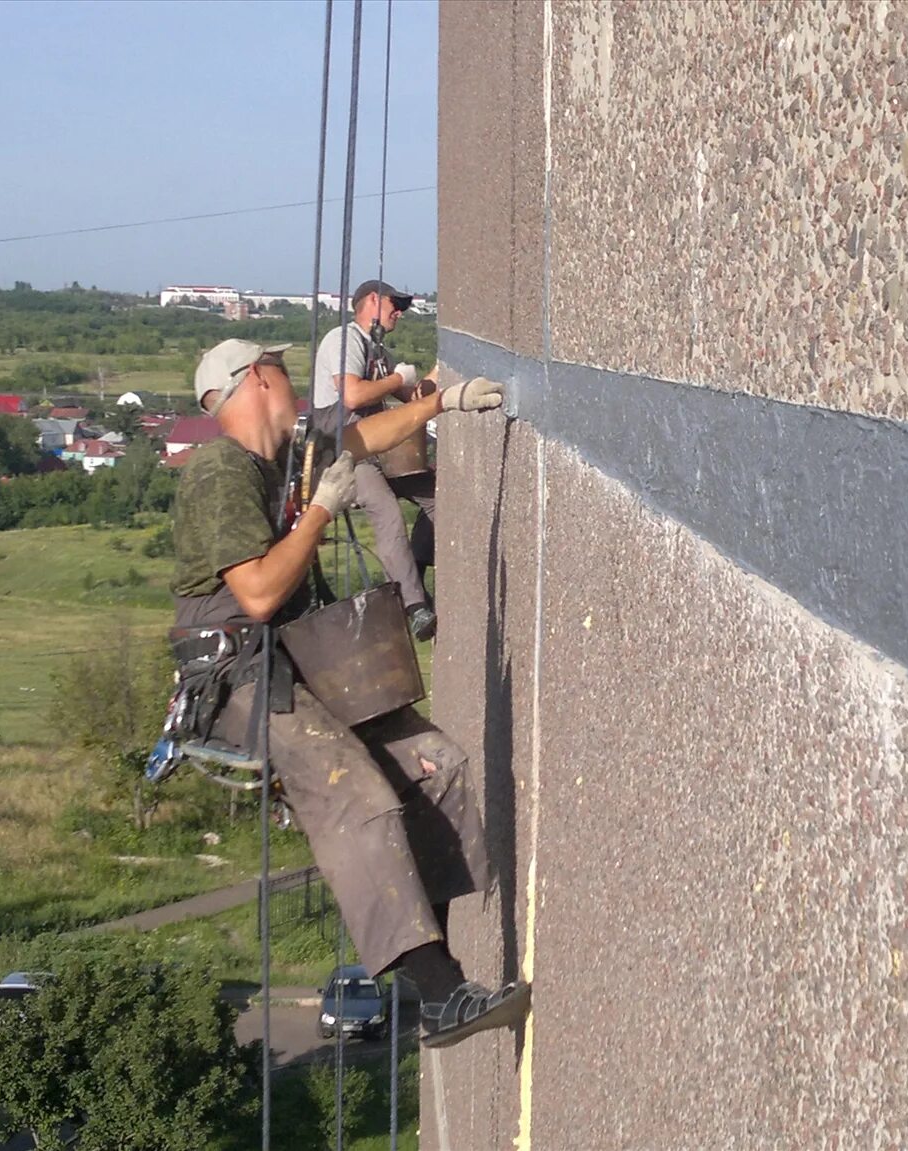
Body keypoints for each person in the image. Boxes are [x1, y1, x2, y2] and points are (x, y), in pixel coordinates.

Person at [167, 337, 527, 1049]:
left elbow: (360, 435)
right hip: (244, 678)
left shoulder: (287, 453)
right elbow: (261, 592)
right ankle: (440, 993)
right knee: (356, 795)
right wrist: (321, 513)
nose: (289, 376)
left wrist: (446, 403)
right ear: (259, 378)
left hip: (298, 658)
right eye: (279, 367)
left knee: (436, 766)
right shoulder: (218, 473)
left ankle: (440, 978)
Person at [312, 279, 438, 640]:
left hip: (375, 448)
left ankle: (412, 567)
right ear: (371, 300)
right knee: (385, 510)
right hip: (344, 453)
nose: (399, 311)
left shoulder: (376, 352)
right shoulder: (345, 339)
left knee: (437, 494)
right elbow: (352, 395)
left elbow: (412, 397)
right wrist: (399, 377)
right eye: (394, 304)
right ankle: (412, 606)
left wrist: (436, 375)